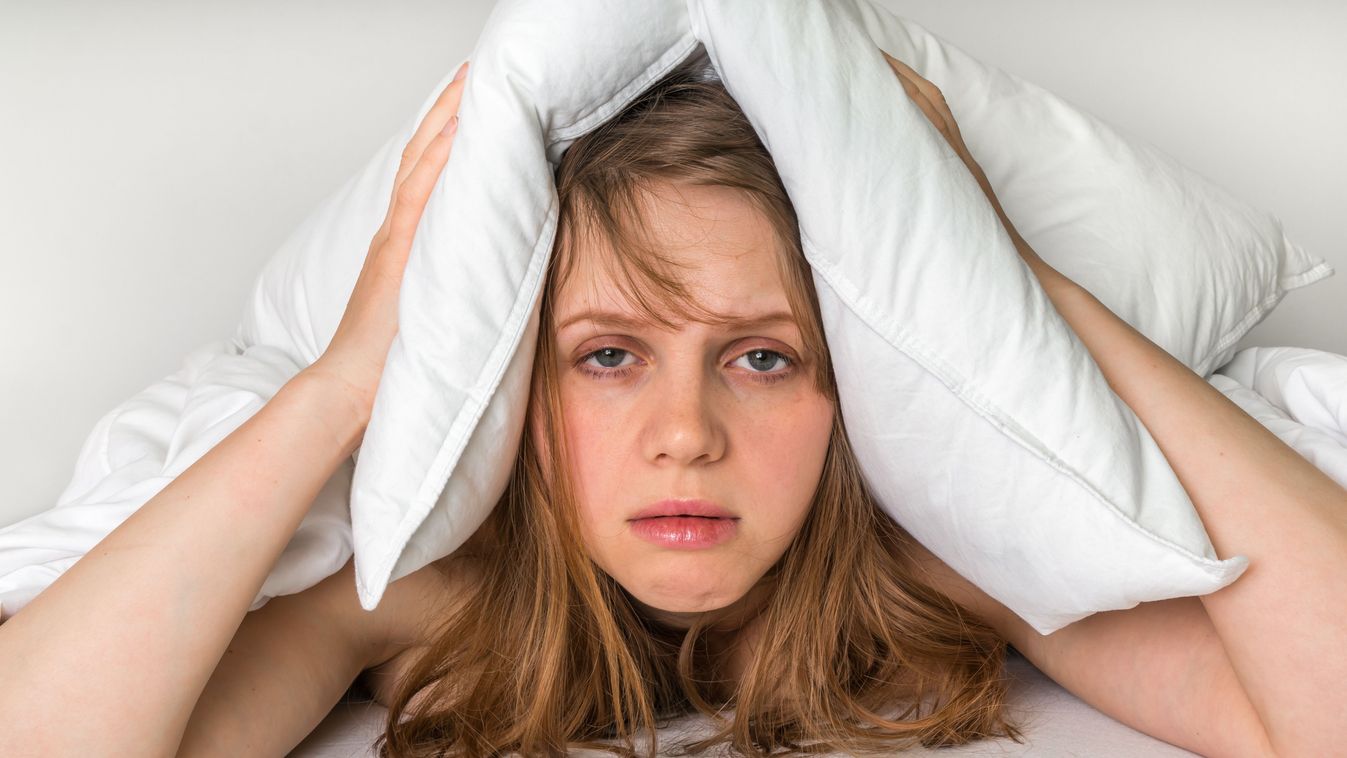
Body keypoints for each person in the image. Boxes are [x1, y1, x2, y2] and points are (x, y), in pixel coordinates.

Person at [1, 48, 1342, 758]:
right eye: (607, 354)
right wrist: (352, 374)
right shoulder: (433, 587)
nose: (686, 432)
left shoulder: (931, 570)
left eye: (760, 355)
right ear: (522, 389)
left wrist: (1025, 300)